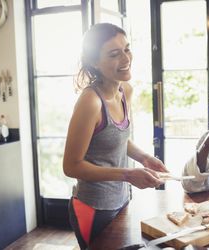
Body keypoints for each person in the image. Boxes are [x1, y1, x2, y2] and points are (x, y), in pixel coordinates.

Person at [63, 23, 167, 249]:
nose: (125, 58)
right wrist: (129, 175)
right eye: (114, 54)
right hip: (93, 207)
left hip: (121, 200)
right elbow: (71, 166)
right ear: (94, 62)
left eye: (127, 49)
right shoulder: (90, 102)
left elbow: (117, 138)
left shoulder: (124, 91)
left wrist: (144, 158)